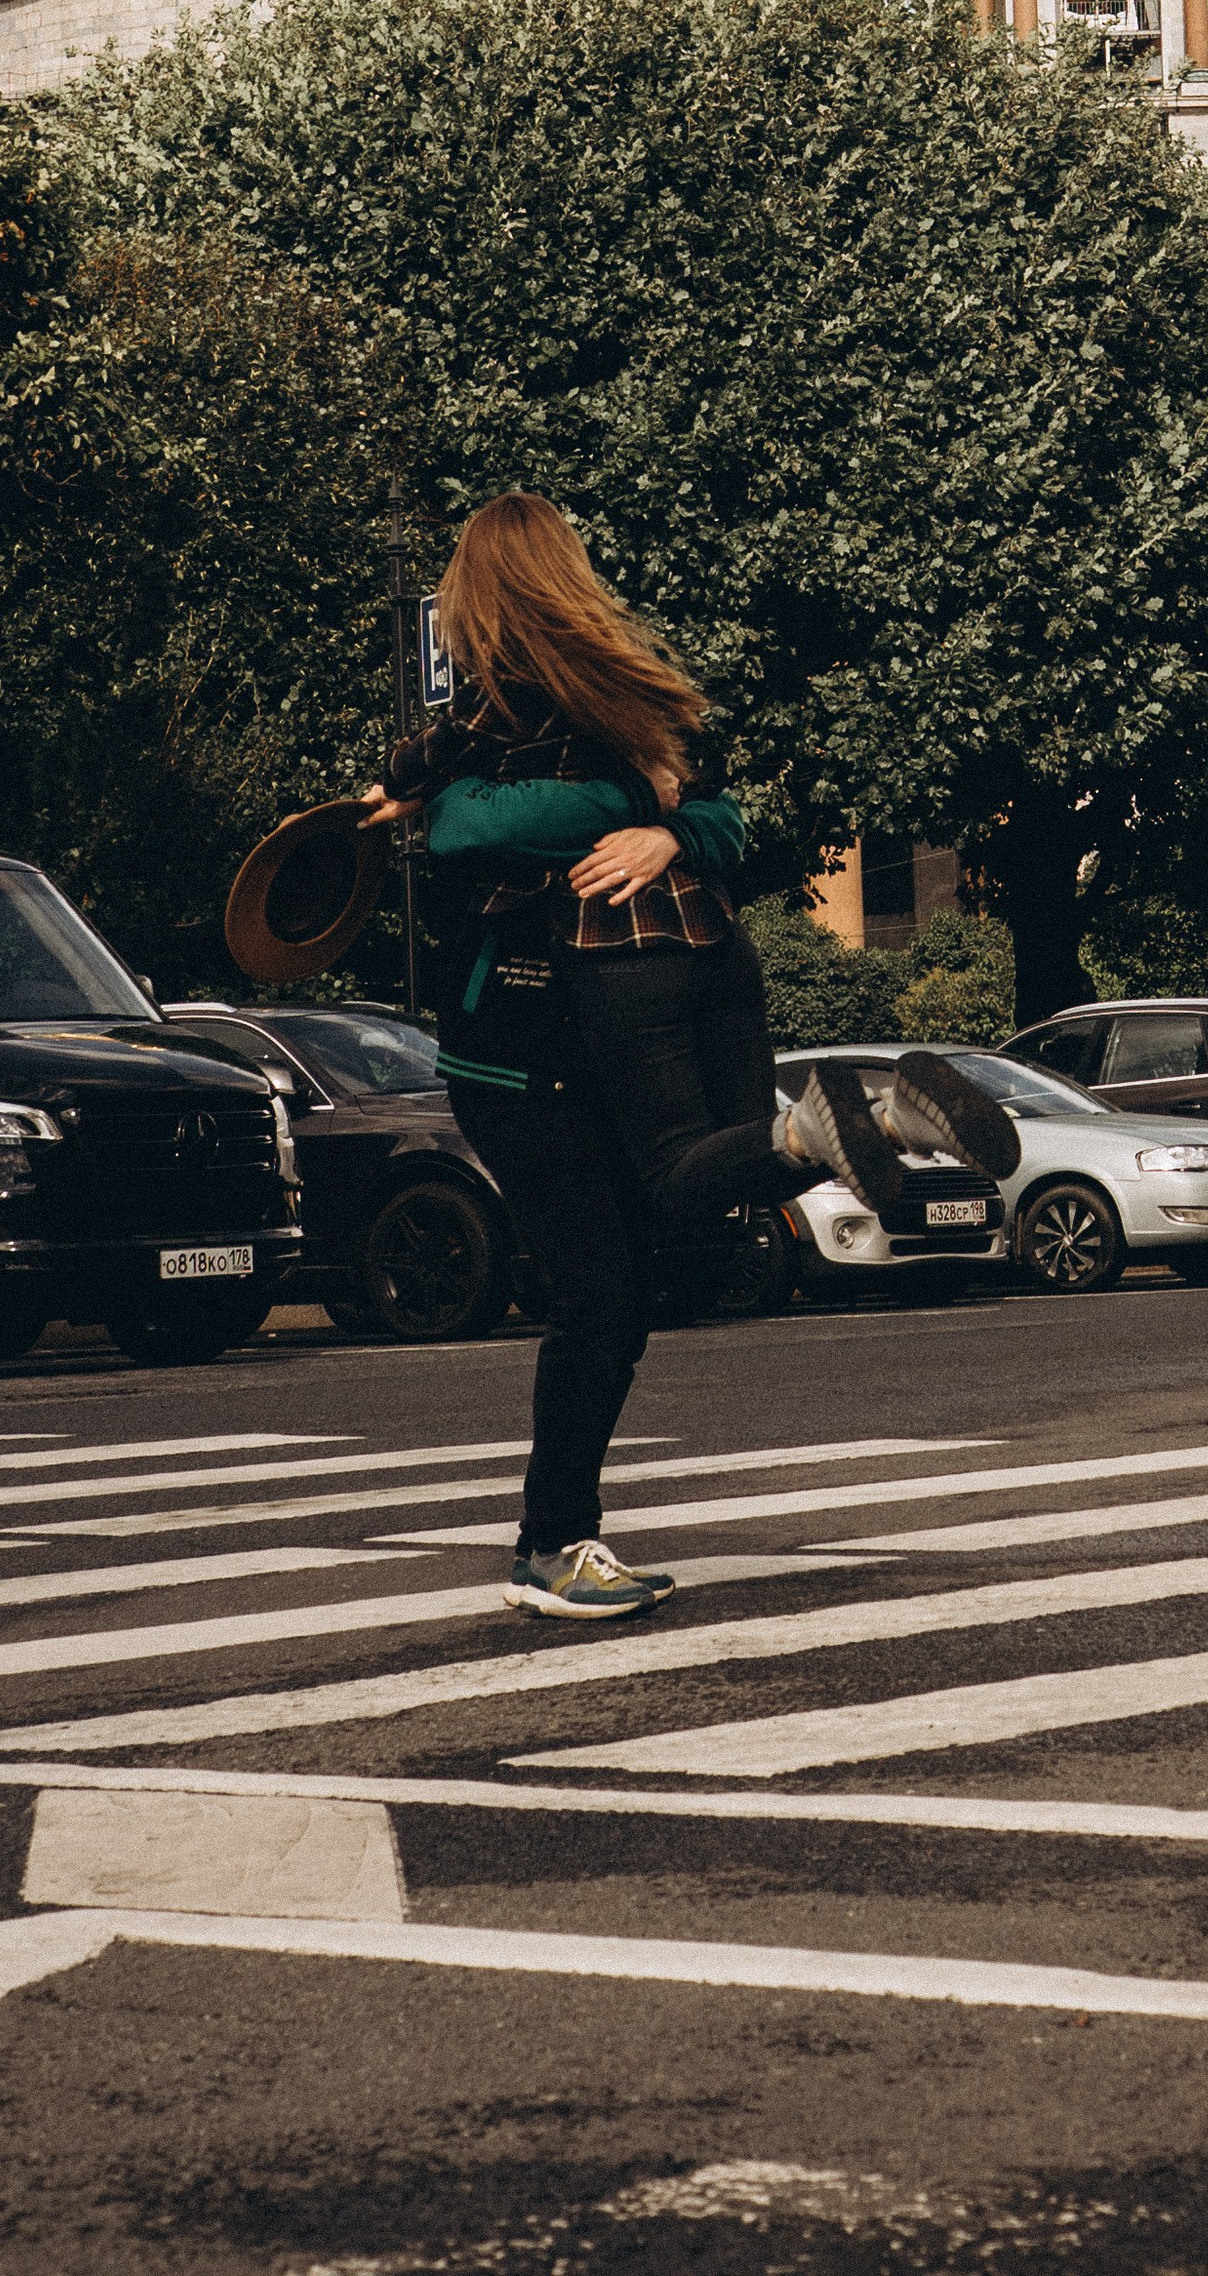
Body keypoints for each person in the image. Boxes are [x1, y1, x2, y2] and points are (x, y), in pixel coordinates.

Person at [362, 494, 1017, 1621]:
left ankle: (554, 1545)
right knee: (616, 1284)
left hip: (583, 1023)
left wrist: (671, 828)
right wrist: (645, 803)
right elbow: (476, 829)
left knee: (675, 1216)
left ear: (474, 593)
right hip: (539, 1057)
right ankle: (554, 1541)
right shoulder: (569, 712)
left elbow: (719, 819)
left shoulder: (538, 708)